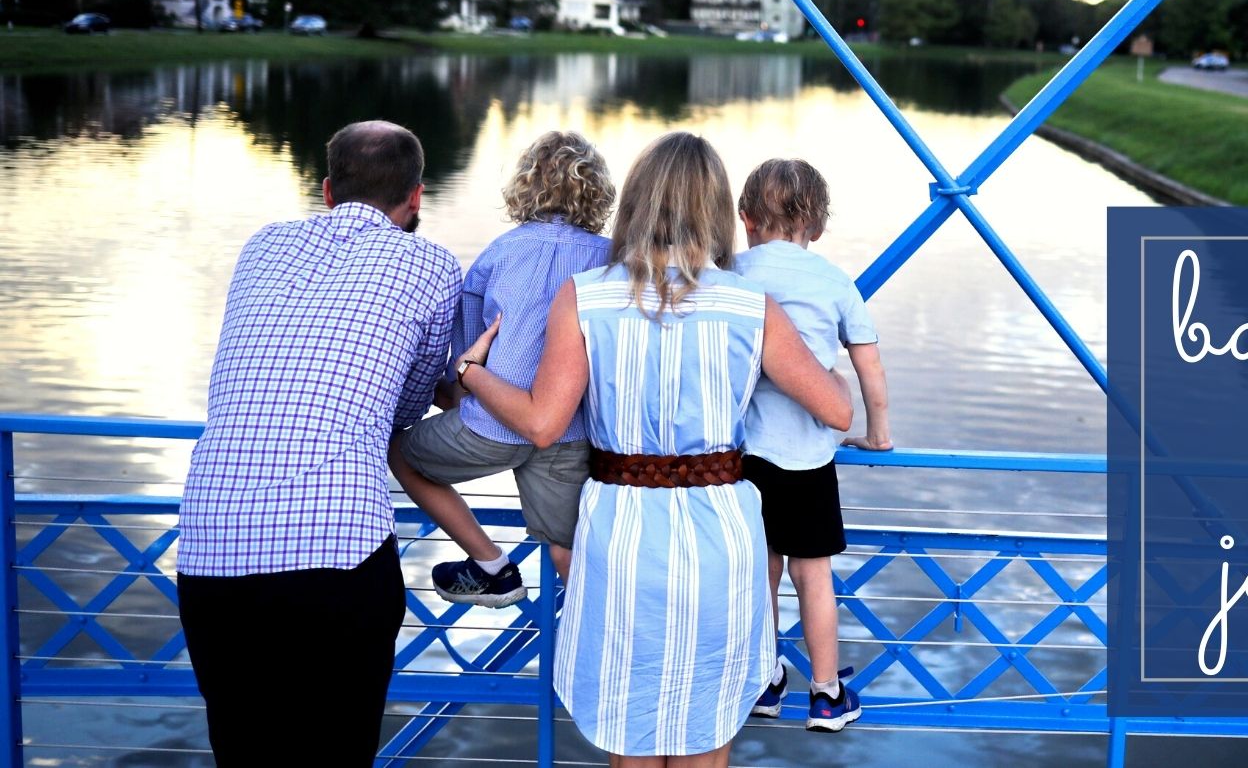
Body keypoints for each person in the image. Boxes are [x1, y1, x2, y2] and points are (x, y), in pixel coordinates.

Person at [455, 132, 852, 767]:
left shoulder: (586, 294)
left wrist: (472, 373)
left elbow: (542, 424)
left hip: (622, 527)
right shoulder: (751, 305)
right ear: (722, 210)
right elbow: (836, 411)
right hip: (720, 532)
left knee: (629, 728)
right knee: (706, 733)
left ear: (635, 201)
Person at [176, 120, 462, 765]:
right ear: (415, 197)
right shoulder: (434, 264)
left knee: (244, 750)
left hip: (214, 544)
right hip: (336, 549)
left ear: (328, 190)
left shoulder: (263, 245)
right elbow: (408, 404)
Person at [389, 130, 615, 607]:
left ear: (525, 187)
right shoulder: (613, 259)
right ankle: (595, 638)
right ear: (597, 192)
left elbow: (467, 354)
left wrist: (456, 395)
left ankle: (491, 565)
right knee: (567, 547)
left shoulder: (498, 254)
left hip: (489, 429)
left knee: (401, 453)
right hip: (568, 431)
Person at [734, 158, 891, 732]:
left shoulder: (731, 273)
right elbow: (868, 365)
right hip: (809, 458)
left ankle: (761, 682)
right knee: (813, 576)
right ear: (817, 227)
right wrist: (878, 431)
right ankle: (825, 693)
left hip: (743, 456)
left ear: (745, 219)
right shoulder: (833, 280)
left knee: (761, 573)